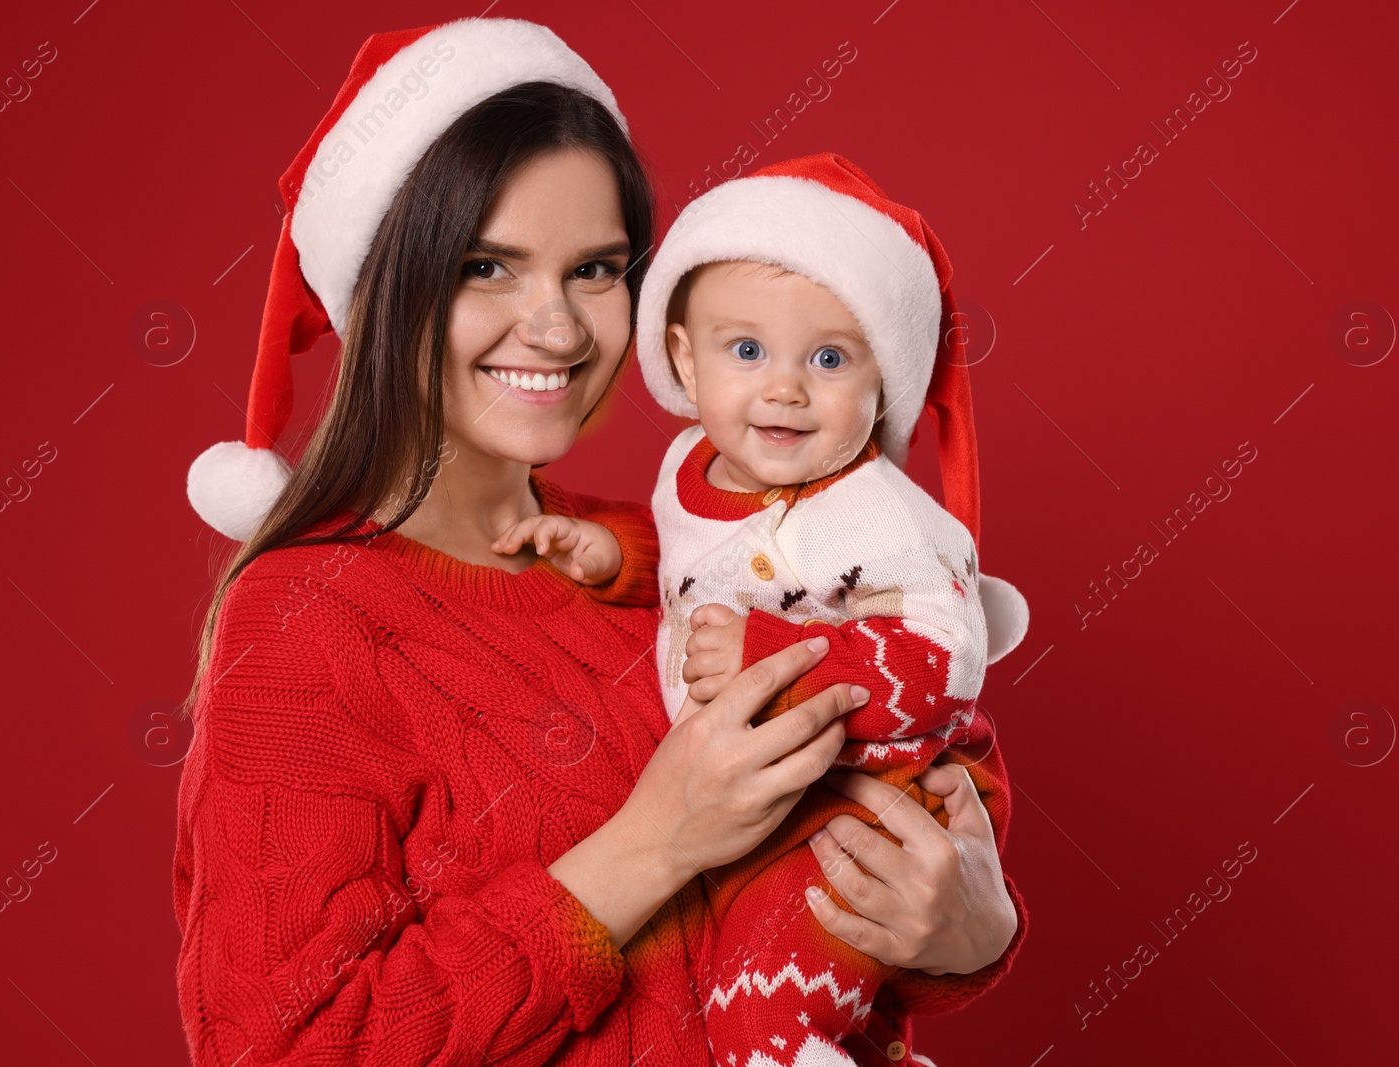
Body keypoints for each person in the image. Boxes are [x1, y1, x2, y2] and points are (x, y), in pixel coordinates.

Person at [176, 17, 1025, 1067]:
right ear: (385, 288)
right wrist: (655, 839)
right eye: (487, 265)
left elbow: (797, 874)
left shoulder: (657, 560)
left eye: (594, 269)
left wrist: (968, 933)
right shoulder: (308, 621)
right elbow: (285, 1047)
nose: (560, 327)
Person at [489, 153, 1029, 1067]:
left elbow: (943, 659)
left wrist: (770, 652)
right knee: (793, 989)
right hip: (775, 814)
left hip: (869, 798)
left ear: (881, 382)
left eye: (828, 359)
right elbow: (702, 562)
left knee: (764, 1003)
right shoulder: (687, 469)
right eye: (747, 351)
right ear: (683, 360)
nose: (784, 388)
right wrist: (618, 556)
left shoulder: (878, 511)